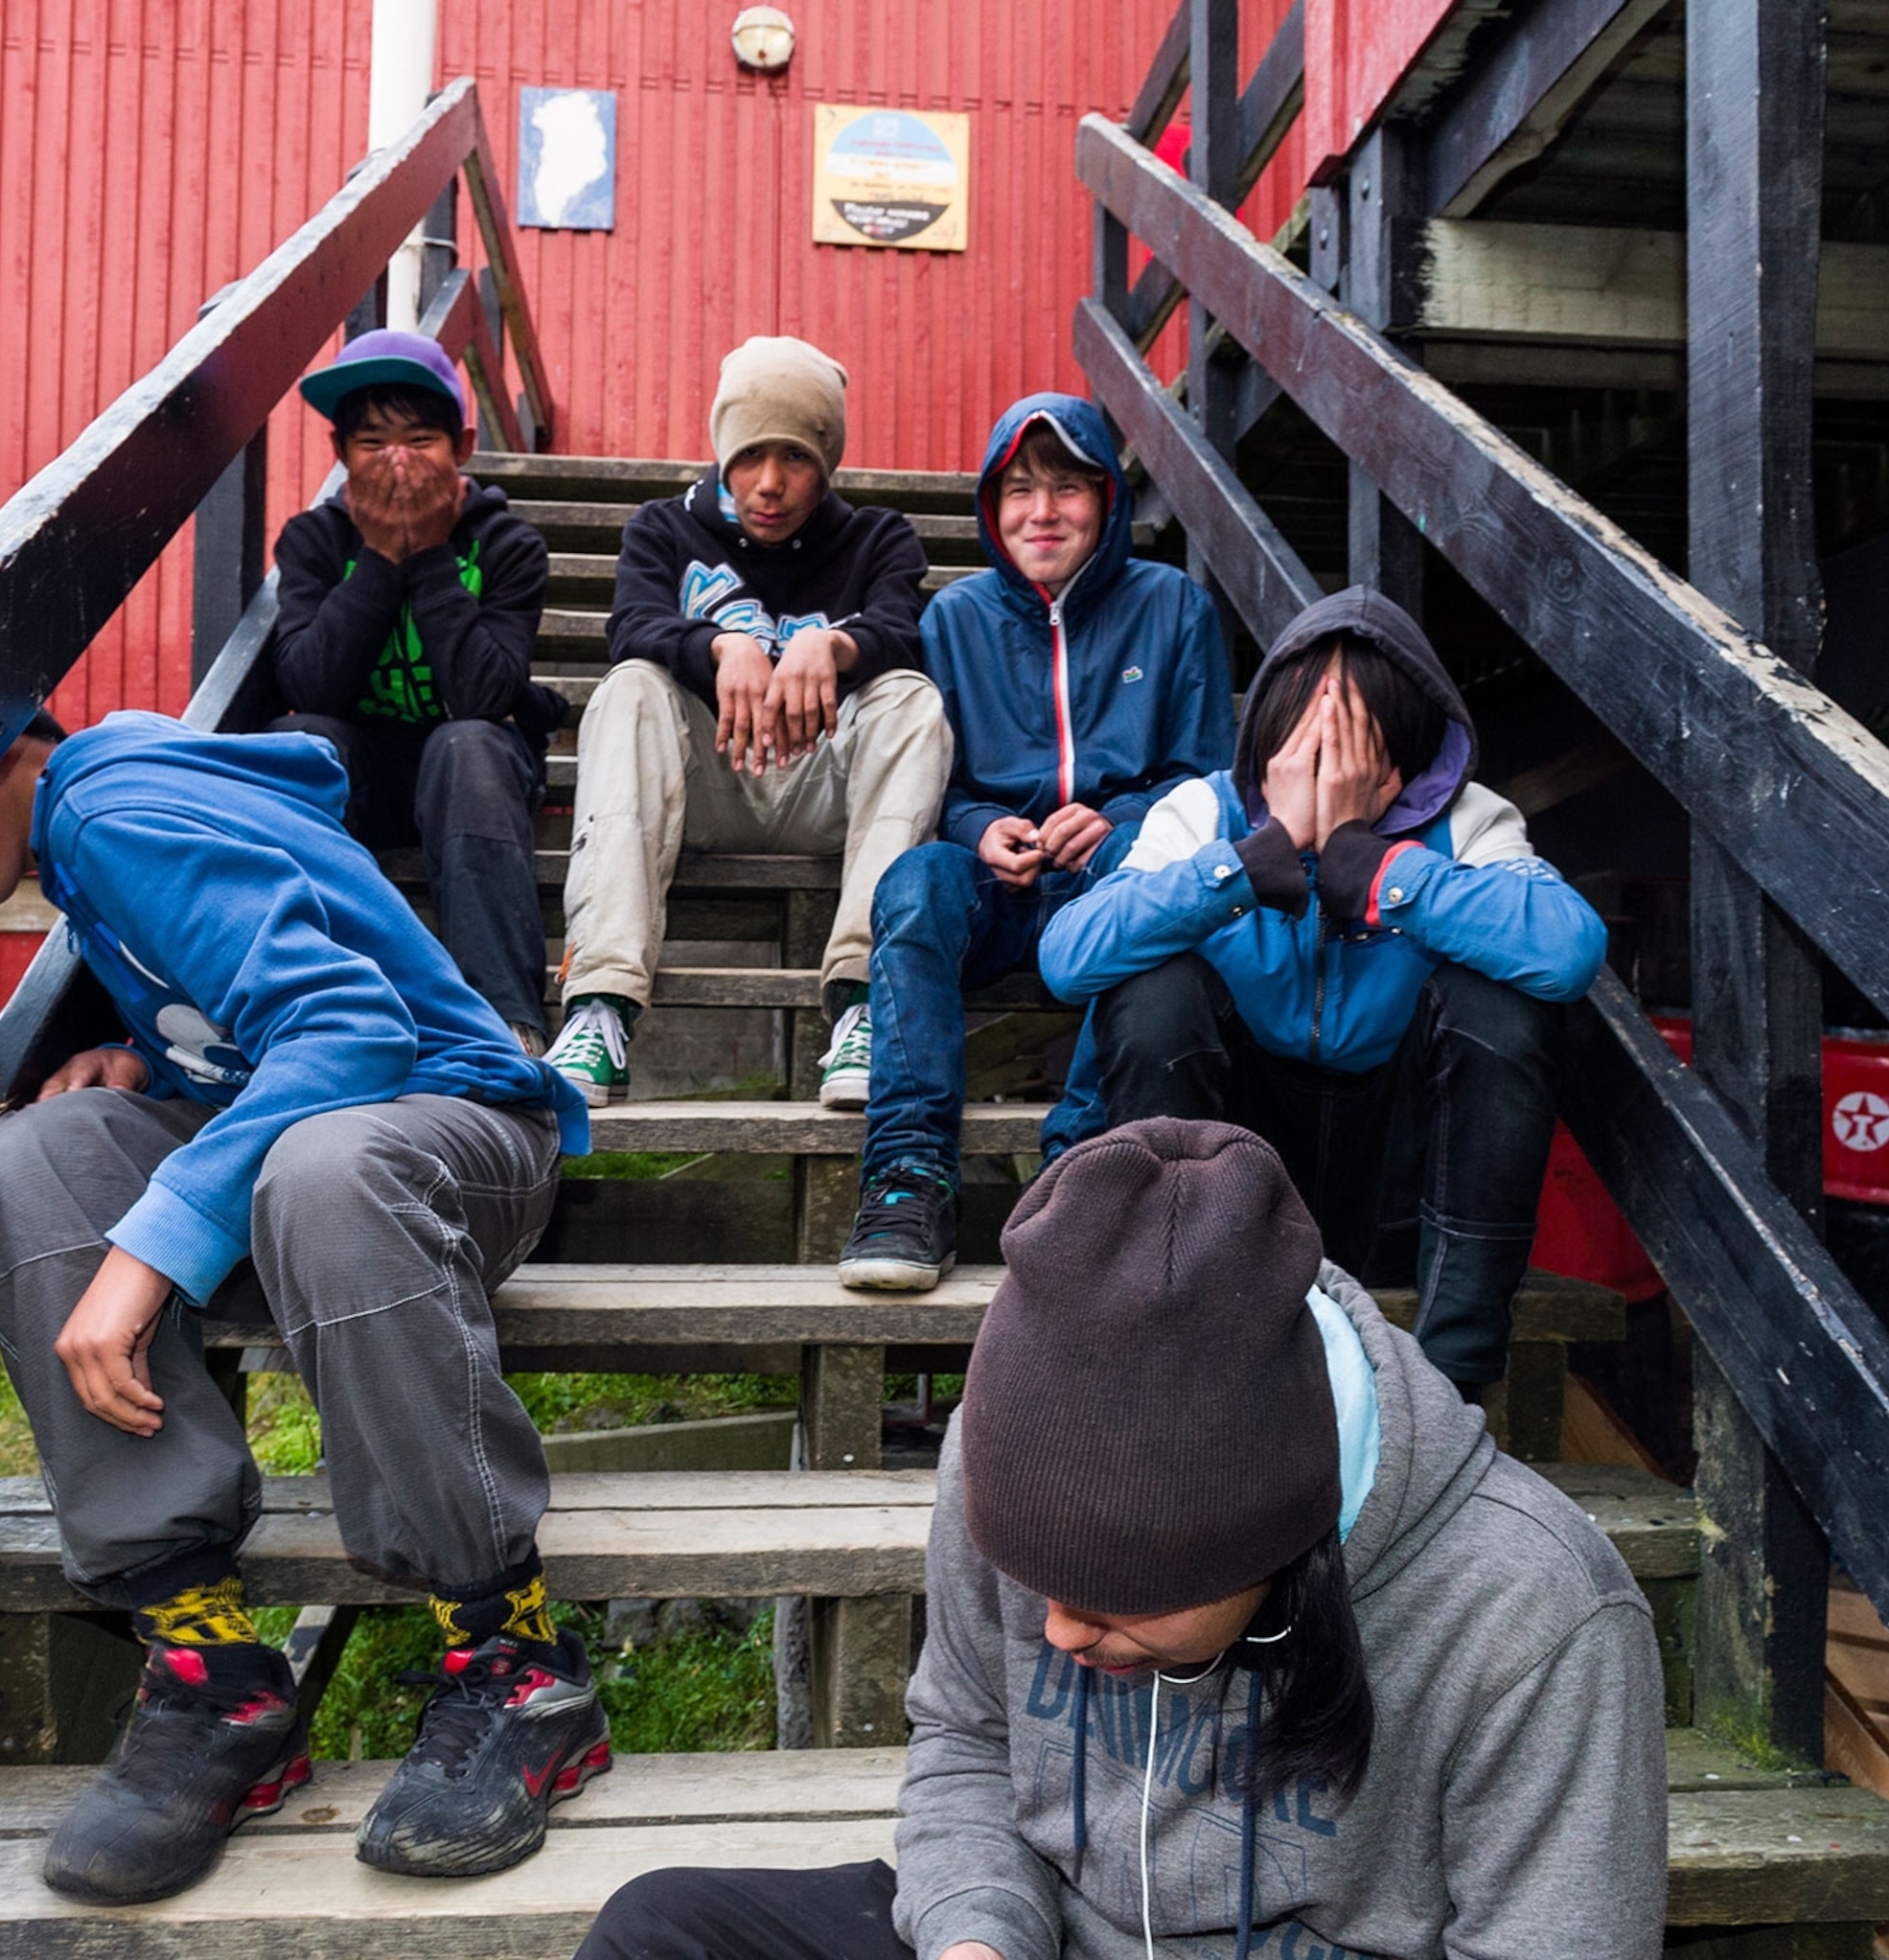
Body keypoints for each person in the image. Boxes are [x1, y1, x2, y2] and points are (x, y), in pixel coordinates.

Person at [576, 1118, 1670, 1958]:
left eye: (1113, 1597)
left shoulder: (1538, 1612)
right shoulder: (1006, 1459)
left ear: (1279, 1536)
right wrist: (975, 1930)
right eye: (1034, 1578)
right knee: (661, 1930)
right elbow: (965, 1732)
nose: (1055, 1628)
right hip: (1058, 1927)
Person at [0, 707, 606, 1906]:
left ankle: (517, 1655)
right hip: (307, 1147)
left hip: (455, 1140)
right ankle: (212, 1664)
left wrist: (142, 1252)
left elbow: (352, 1027)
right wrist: (148, 1057)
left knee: (327, 1164)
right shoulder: (97, 815)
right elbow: (264, 978)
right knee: (44, 1151)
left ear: (2, 757)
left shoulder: (106, 808)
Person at [1035, 588, 1609, 1400]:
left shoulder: (1470, 820)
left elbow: (1567, 949)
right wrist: (1250, 862)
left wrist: (1371, 864)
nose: (1323, 750)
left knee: (1504, 999)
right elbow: (1069, 956)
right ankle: (1172, 1343)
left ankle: (1456, 1385)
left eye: (1353, 727)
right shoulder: (1203, 811)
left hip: (1395, 1174)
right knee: (1155, 984)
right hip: (1237, 1171)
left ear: (1402, 744)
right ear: (1268, 725)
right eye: (1305, 720)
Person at [837, 394, 1231, 1290]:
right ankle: (908, 1175)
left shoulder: (1174, 608)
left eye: (1066, 487)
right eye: (1018, 489)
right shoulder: (955, 620)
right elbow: (941, 784)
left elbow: (1207, 782)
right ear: (989, 504)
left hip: (1111, 881)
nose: (1041, 511)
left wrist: (1121, 819)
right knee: (913, 881)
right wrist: (979, 830)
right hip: (1000, 891)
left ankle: (1078, 1161)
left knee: (1155, 880)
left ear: (1107, 498)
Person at [547, 335, 950, 1108]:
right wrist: (717, 644)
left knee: (911, 699)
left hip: (822, 786)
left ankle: (866, 1002)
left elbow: (903, 630)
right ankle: (599, 1004)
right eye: (750, 454)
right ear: (721, 451)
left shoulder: (876, 538)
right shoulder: (664, 529)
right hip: (704, 785)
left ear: (827, 461)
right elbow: (631, 625)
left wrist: (831, 644)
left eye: (795, 457)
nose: (769, 484)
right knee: (632, 685)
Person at [267, 327, 559, 1049]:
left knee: (466, 743)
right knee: (299, 744)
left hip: (474, 775)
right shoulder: (315, 541)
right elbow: (311, 685)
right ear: (340, 454)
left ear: (460, 446)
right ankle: (299, 1009)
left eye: (420, 440)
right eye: (371, 445)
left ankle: (504, 1019)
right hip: (365, 772)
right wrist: (375, 559)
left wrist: (428, 553)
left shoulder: (507, 545)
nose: (397, 463)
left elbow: (486, 695)